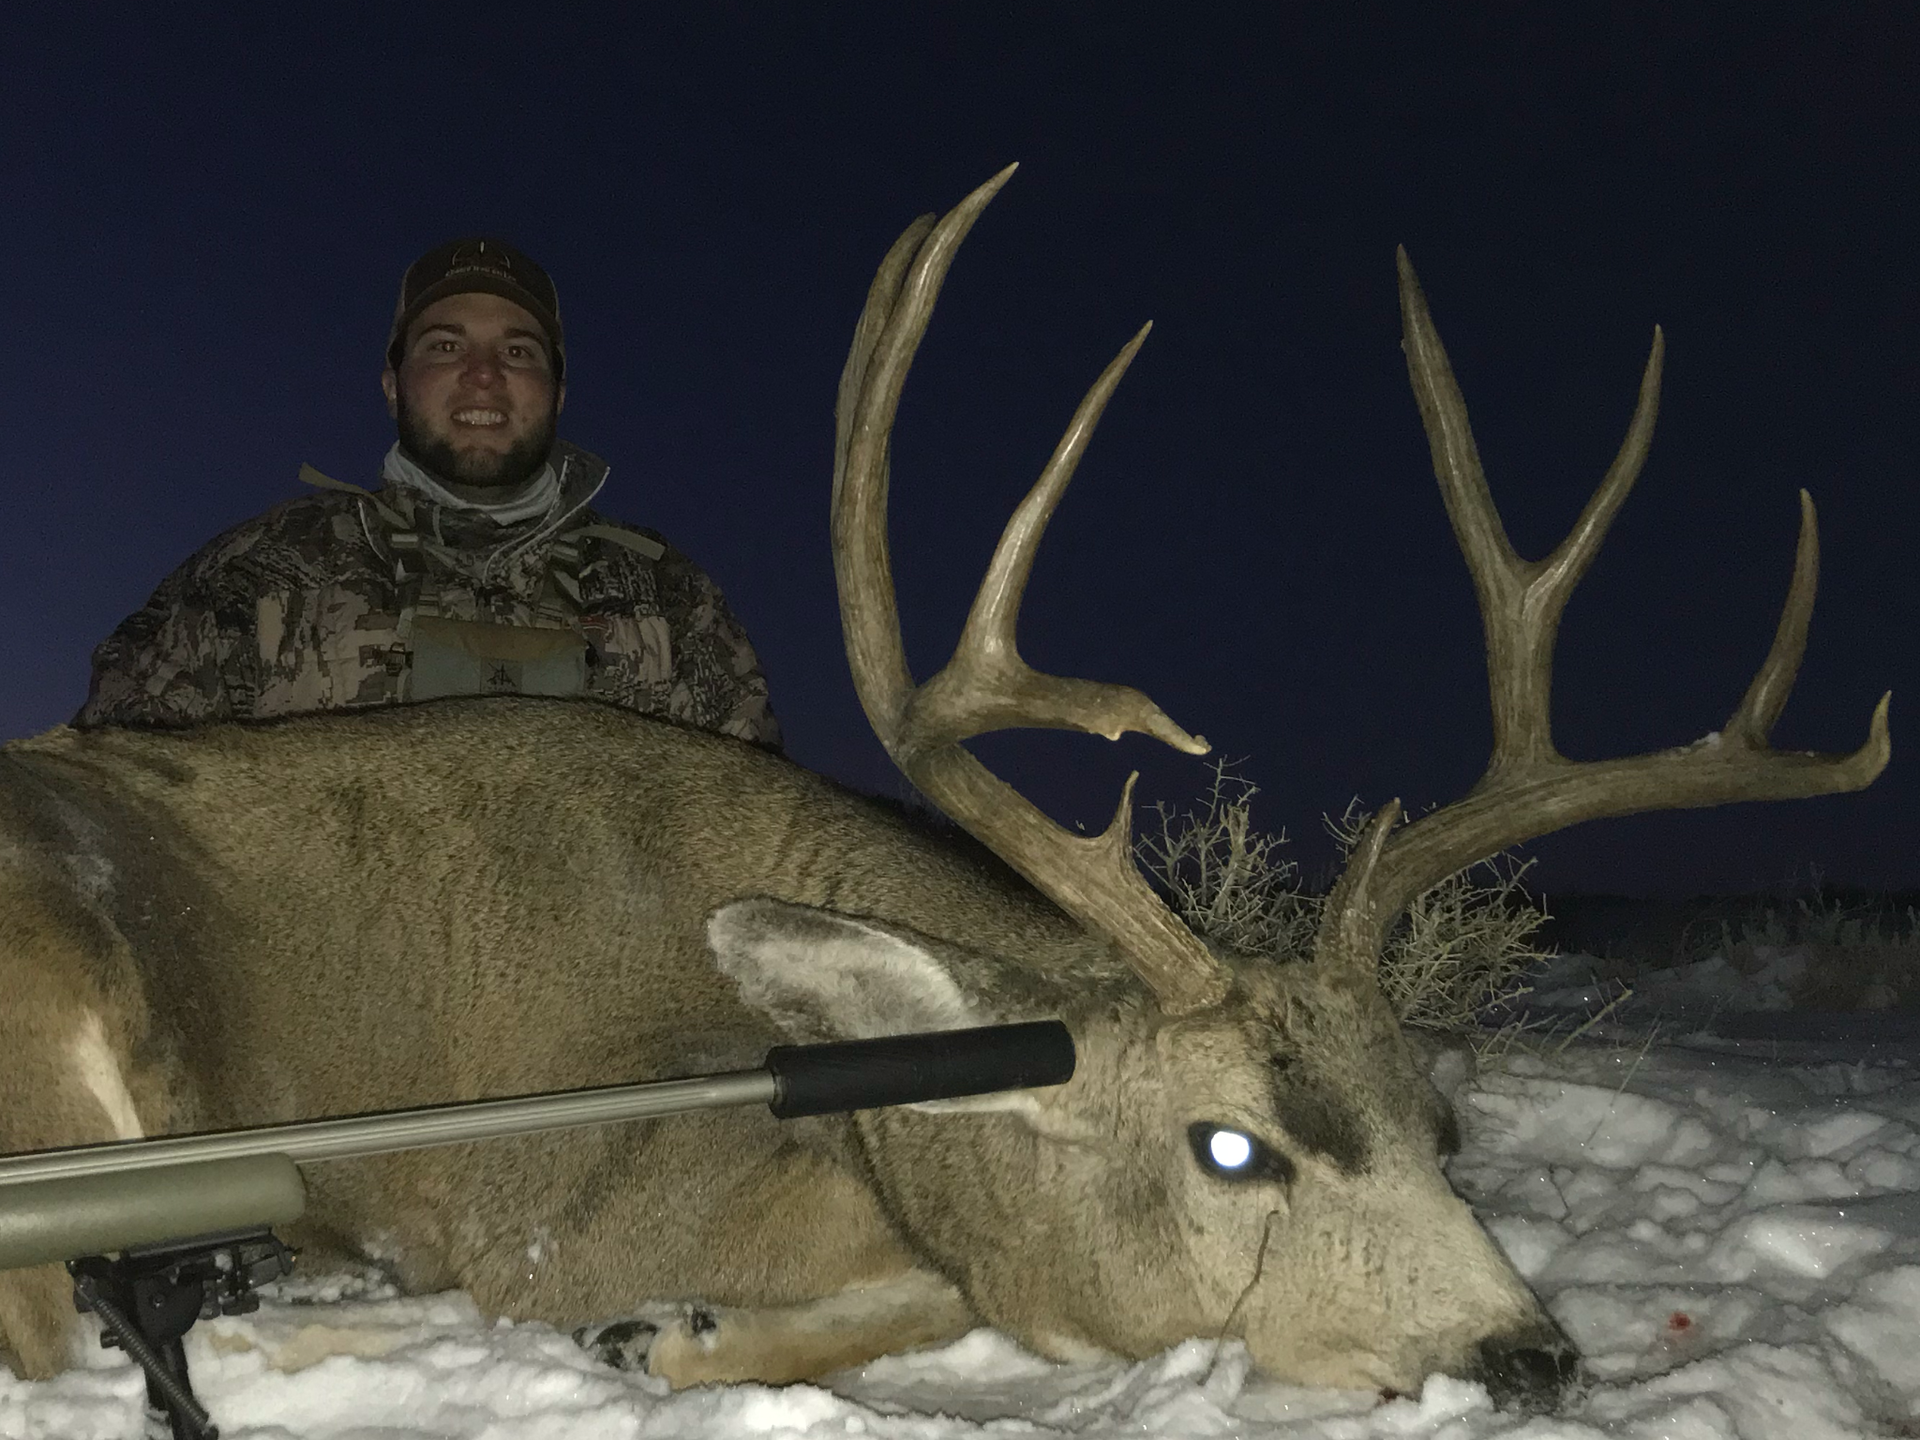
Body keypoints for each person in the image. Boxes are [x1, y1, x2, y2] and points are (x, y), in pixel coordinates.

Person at [76, 237, 779, 747]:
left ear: (558, 394)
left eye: (518, 351)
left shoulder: (671, 600)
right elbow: (112, 805)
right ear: (391, 385)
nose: (482, 374)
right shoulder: (253, 577)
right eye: (445, 346)